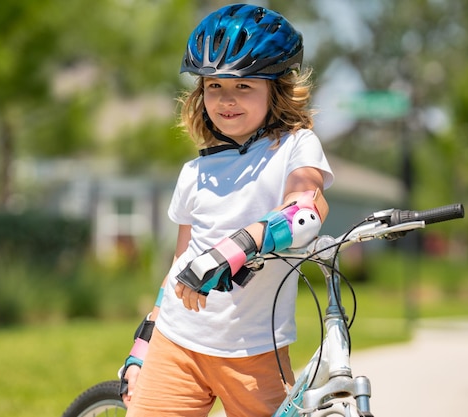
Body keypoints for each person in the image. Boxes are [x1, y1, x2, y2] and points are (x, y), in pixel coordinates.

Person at [119, 4, 334, 417]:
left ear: (277, 90)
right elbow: (180, 261)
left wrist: (233, 250)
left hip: (254, 354)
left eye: (244, 87)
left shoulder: (295, 146)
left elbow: (305, 210)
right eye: (214, 87)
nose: (226, 101)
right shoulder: (195, 170)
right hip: (177, 344)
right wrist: (143, 343)